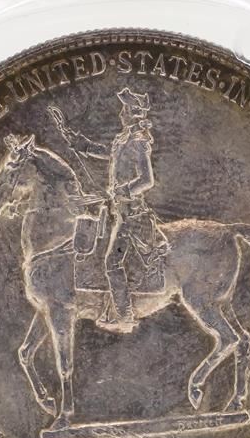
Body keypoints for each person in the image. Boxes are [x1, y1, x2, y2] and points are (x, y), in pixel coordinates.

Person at [53, 88, 168, 333]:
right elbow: (108, 155)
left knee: (112, 263)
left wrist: (123, 190)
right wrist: (77, 141)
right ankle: (108, 305)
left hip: (131, 214)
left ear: (132, 113)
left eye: (124, 109)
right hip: (118, 210)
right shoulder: (122, 140)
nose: (120, 113)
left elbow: (147, 180)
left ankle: (125, 317)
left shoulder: (139, 142)